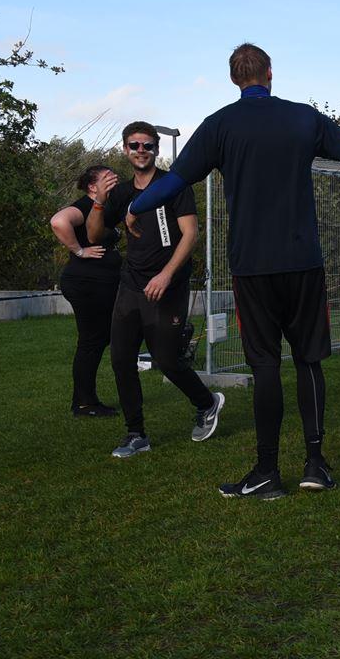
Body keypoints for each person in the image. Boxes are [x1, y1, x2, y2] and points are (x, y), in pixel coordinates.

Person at [123, 44, 340, 499]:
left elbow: (175, 181)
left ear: (234, 79)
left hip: (252, 267)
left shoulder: (219, 125)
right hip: (303, 263)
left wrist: (135, 206)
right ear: (270, 73)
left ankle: (267, 472)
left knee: (265, 365)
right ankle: (315, 464)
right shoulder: (303, 118)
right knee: (308, 360)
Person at [86, 122, 225, 459]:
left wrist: (165, 275)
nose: (141, 151)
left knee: (167, 359)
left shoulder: (173, 185)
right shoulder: (121, 194)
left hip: (168, 285)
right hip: (131, 284)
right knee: (121, 359)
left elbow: (190, 234)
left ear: (156, 149)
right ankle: (136, 434)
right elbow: (93, 236)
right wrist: (100, 202)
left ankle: (207, 403)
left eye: (147, 145)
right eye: (134, 145)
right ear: (125, 149)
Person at [50, 165, 123, 417]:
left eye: (114, 177)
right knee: (91, 340)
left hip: (98, 283)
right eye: (107, 178)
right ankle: (83, 403)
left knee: (98, 338)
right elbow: (58, 221)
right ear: (92, 187)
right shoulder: (84, 206)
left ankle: (85, 400)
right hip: (86, 283)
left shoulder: (106, 208)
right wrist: (79, 250)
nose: (113, 180)